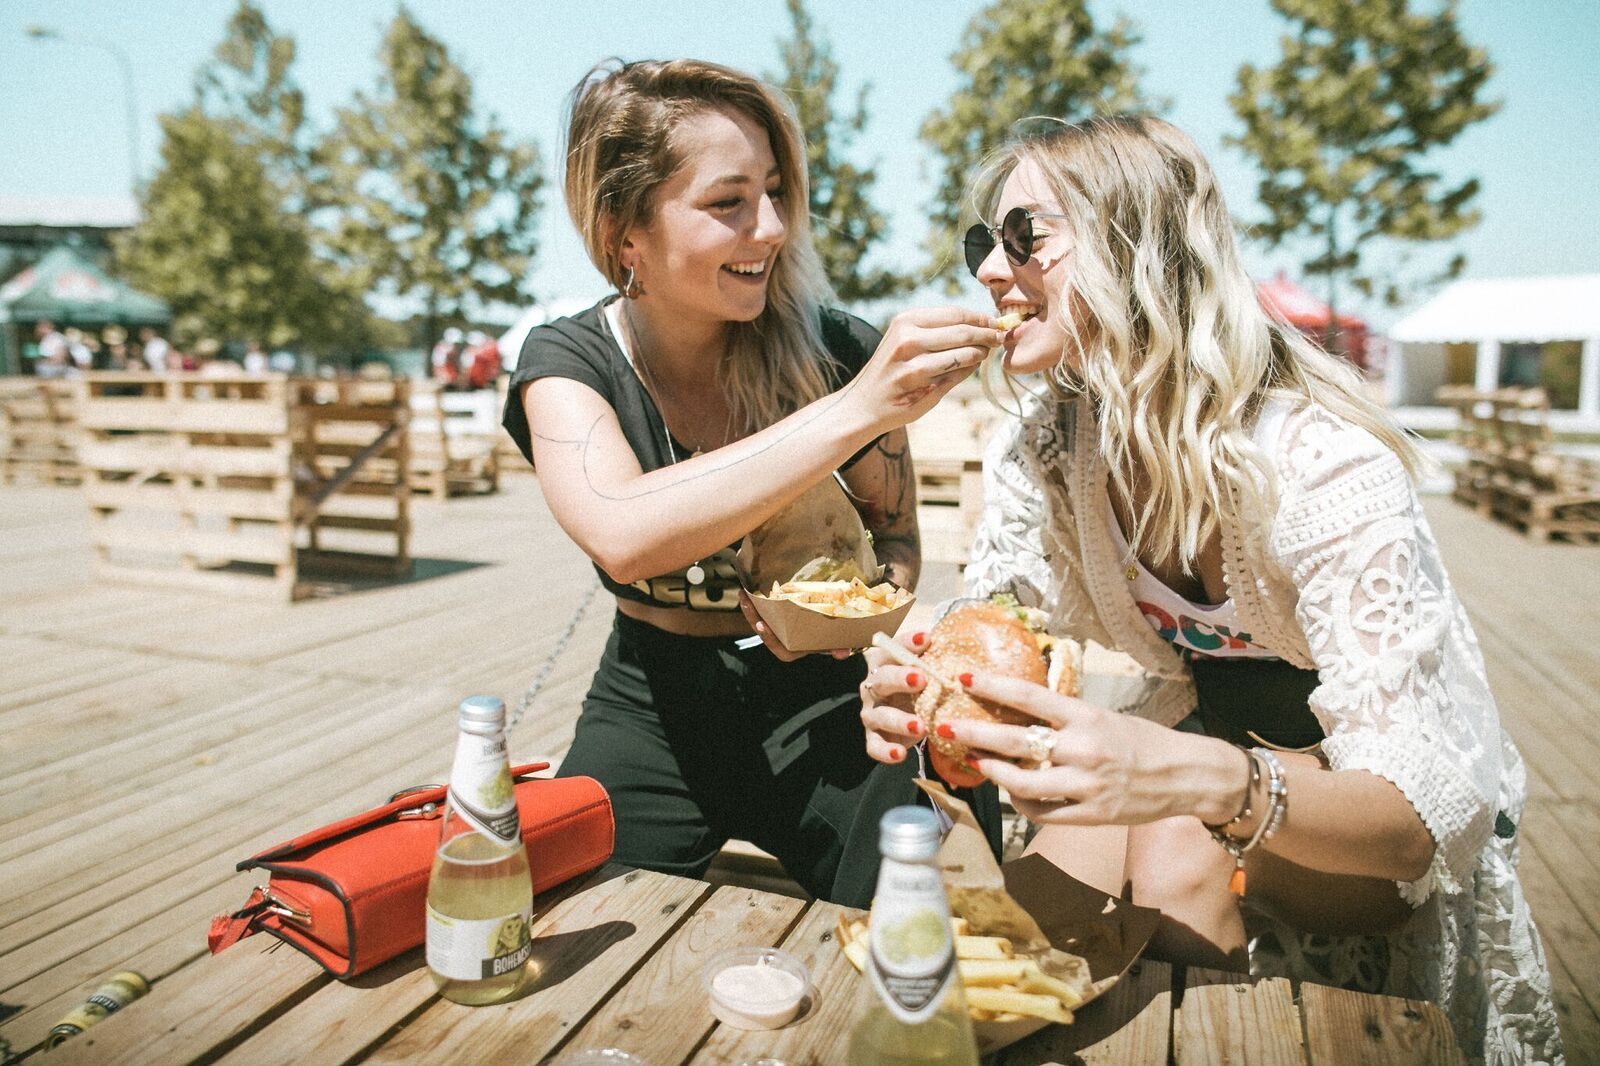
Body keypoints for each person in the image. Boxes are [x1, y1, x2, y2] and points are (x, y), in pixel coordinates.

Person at [858, 115, 1559, 1064]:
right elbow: (991, 627)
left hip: (1354, 818)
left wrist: (1202, 778)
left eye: (1025, 236)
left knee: (1175, 840)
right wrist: (931, 691)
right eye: (985, 240)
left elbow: (1415, 823)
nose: (988, 269)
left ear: (1137, 251)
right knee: (1016, 926)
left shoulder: (1321, 463)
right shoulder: (1051, 445)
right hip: (1197, 752)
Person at [502, 57, 1005, 909]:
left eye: (774, 192)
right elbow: (622, 534)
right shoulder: (569, 360)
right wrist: (856, 409)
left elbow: (896, 540)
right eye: (727, 202)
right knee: (551, 914)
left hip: (825, 701)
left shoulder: (835, 349)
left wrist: (859, 614)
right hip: (652, 704)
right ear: (625, 234)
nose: (770, 228)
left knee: (938, 874)